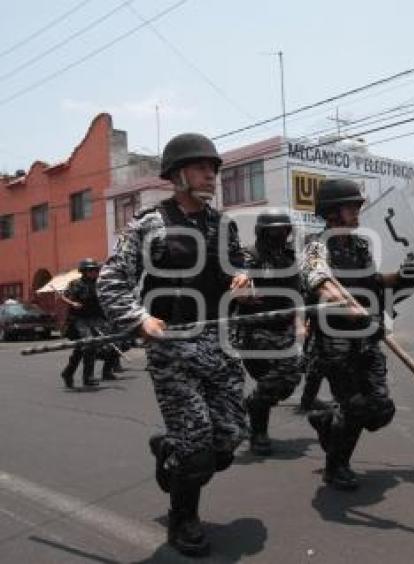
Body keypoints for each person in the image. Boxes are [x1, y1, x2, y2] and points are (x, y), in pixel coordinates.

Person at [98, 133, 251, 556]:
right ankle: (183, 519)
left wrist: (243, 278)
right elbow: (112, 279)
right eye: (203, 167)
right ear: (178, 175)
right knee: (199, 452)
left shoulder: (223, 225)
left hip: (220, 347)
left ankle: (170, 449)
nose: (212, 176)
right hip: (173, 349)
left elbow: (239, 266)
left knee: (228, 441)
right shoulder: (150, 223)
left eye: (215, 169)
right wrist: (138, 319)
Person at [300, 178, 414, 490]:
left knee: (380, 409)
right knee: (356, 407)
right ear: (333, 212)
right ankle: (336, 467)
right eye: (352, 206)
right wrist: (344, 302)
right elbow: (319, 279)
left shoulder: (360, 245)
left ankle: (327, 422)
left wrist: (403, 277)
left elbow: (373, 282)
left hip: (367, 336)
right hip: (334, 341)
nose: (358, 211)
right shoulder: (316, 245)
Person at [237, 209, 304, 455]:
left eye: (283, 231)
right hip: (255, 331)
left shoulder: (288, 259)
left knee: (288, 379)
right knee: (274, 378)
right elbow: (237, 279)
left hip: (284, 329)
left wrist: (300, 323)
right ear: (263, 232)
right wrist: (241, 292)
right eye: (274, 231)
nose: (280, 235)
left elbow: (298, 296)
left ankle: (254, 405)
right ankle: (259, 433)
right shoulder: (249, 256)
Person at [60, 258, 120, 388]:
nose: (94, 272)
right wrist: (73, 303)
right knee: (88, 344)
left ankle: (68, 372)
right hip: (80, 319)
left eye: (96, 270)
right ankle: (88, 377)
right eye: (91, 270)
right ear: (84, 271)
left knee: (111, 342)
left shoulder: (99, 284)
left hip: (96, 318)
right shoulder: (76, 283)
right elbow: (64, 296)